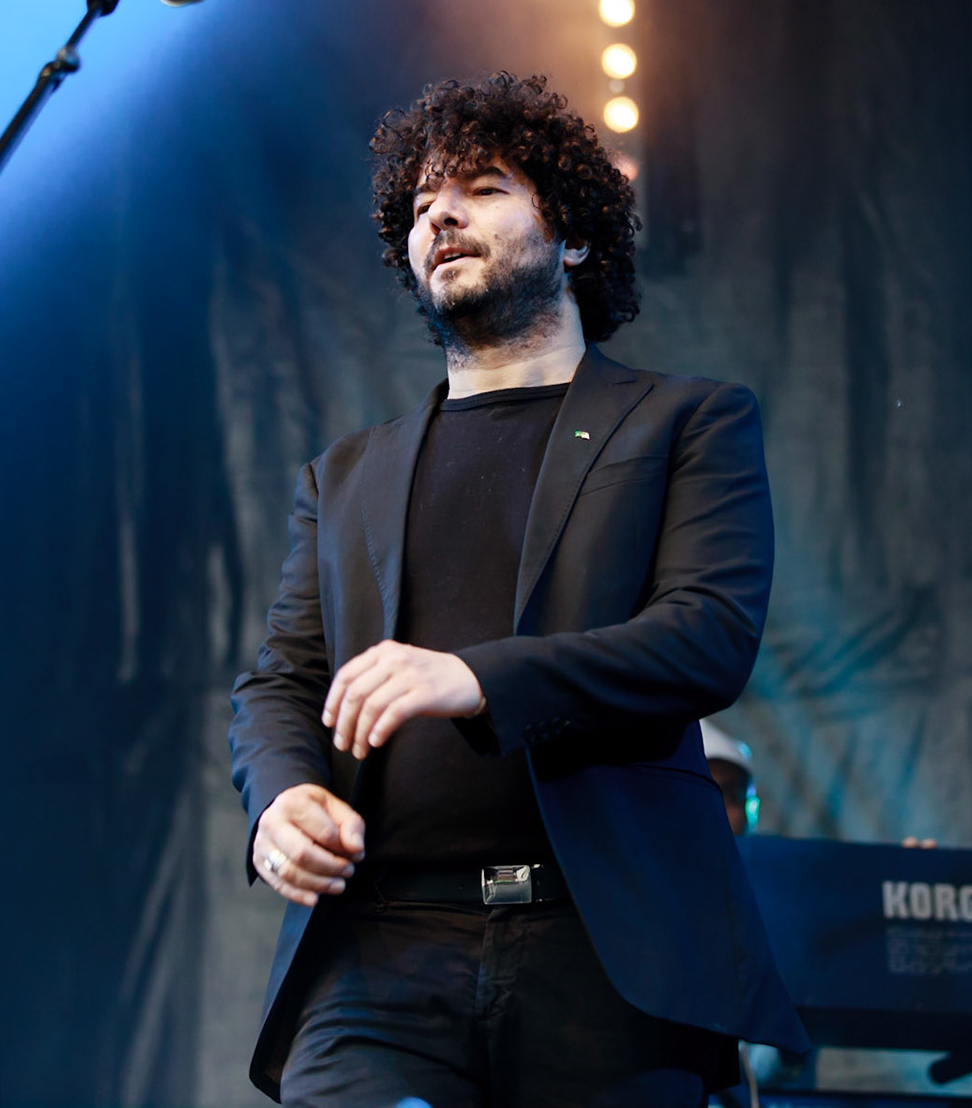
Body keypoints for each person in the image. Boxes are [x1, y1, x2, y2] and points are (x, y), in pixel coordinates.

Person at [228, 72, 806, 1108]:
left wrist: (475, 678)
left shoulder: (686, 422)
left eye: (484, 188)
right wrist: (279, 799)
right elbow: (282, 677)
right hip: (380, 945)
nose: (440, 214)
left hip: (604, 947)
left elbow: (706, 638)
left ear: (575, 239)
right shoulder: (347, 473)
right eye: (418, 206)